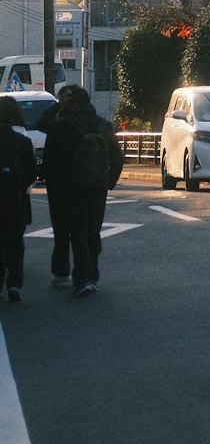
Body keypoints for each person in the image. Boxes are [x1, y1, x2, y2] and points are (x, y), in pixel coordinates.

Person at [42, 85, 124, 297]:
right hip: (97, 187)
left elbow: (45, 139)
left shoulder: (62, 126)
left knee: (78, 231)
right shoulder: (103, 125)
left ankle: (83, 279)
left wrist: (58, 107)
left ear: (72, 103)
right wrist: (108, 181)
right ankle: (92, 274)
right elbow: (117, 157)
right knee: (93, 231)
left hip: (72, 187)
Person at [0, 94, 37, 303]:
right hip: (15, 200)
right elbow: (32, 173)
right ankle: (14, 283)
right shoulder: (22, 141)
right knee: (15, 242)